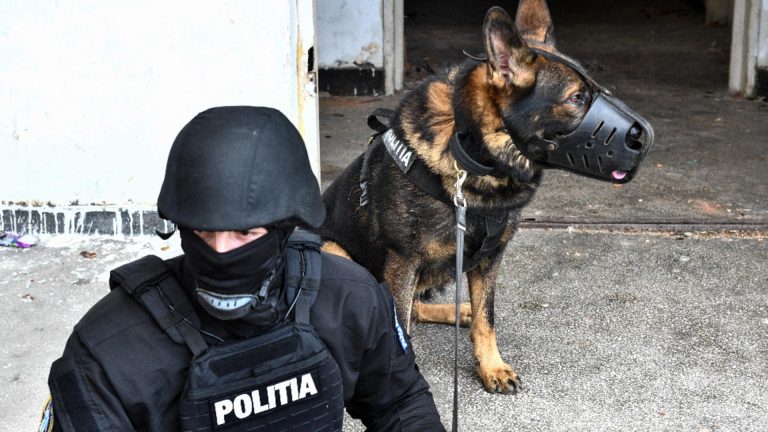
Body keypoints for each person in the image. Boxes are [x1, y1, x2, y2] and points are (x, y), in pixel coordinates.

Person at [42, 106, 445, 431]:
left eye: (244, 233)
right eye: (203, 231)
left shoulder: (348, 299)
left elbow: (400, 404)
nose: (220, 251)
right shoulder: (109, 349)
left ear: (285, 227)